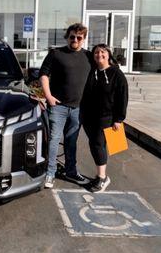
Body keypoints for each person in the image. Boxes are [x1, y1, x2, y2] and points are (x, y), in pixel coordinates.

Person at [39, 23, 92, 188]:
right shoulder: (56, 53)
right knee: (54, 140)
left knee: (71, 141)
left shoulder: (89, 56)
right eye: (72, 37)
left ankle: (71, 171)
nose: (75, 40)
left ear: (83, 39)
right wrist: (48, 96)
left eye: (79, 37)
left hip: (78, 108)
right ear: (67, 37)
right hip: (58, 107)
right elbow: (43, 75)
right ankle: (50, 173)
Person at [80, 43, 129, 193]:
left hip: (106, 117)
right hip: (89, 116)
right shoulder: (91, 71)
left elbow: (123, 97)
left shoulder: (116, 74)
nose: (99, 55)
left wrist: (119, 119)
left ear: (108, 55)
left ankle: (102, 177)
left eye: (102, 52)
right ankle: (98, 174)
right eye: (96, 53)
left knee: (98, 144)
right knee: (94, 144)